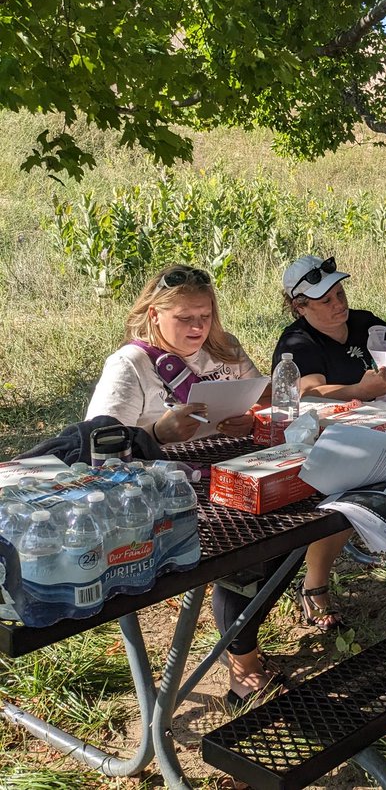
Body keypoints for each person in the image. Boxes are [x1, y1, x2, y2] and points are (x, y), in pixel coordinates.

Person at [86, 264, 283, 706]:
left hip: (233, 470)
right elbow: (96, 442)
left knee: (297, 527)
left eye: (206, 315)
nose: (198, 327)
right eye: (185, 318)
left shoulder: (225, 349)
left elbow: (261, 398)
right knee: (250, 549)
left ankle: (249, 633)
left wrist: (246, 420)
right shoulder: (131, 364)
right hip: (165, 487)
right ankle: (242, 662)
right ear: (154, 314)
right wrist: (156, 433)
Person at [272, 254, 386, 621]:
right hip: (333, 441)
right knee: (348, 498)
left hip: (384, 425)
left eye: (340, 293)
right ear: (300, 306)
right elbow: (307, 394)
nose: (339, 304)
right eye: (326, 300)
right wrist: (359, 388)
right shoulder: (298, 341)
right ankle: (315, 585)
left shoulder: (364, 322)